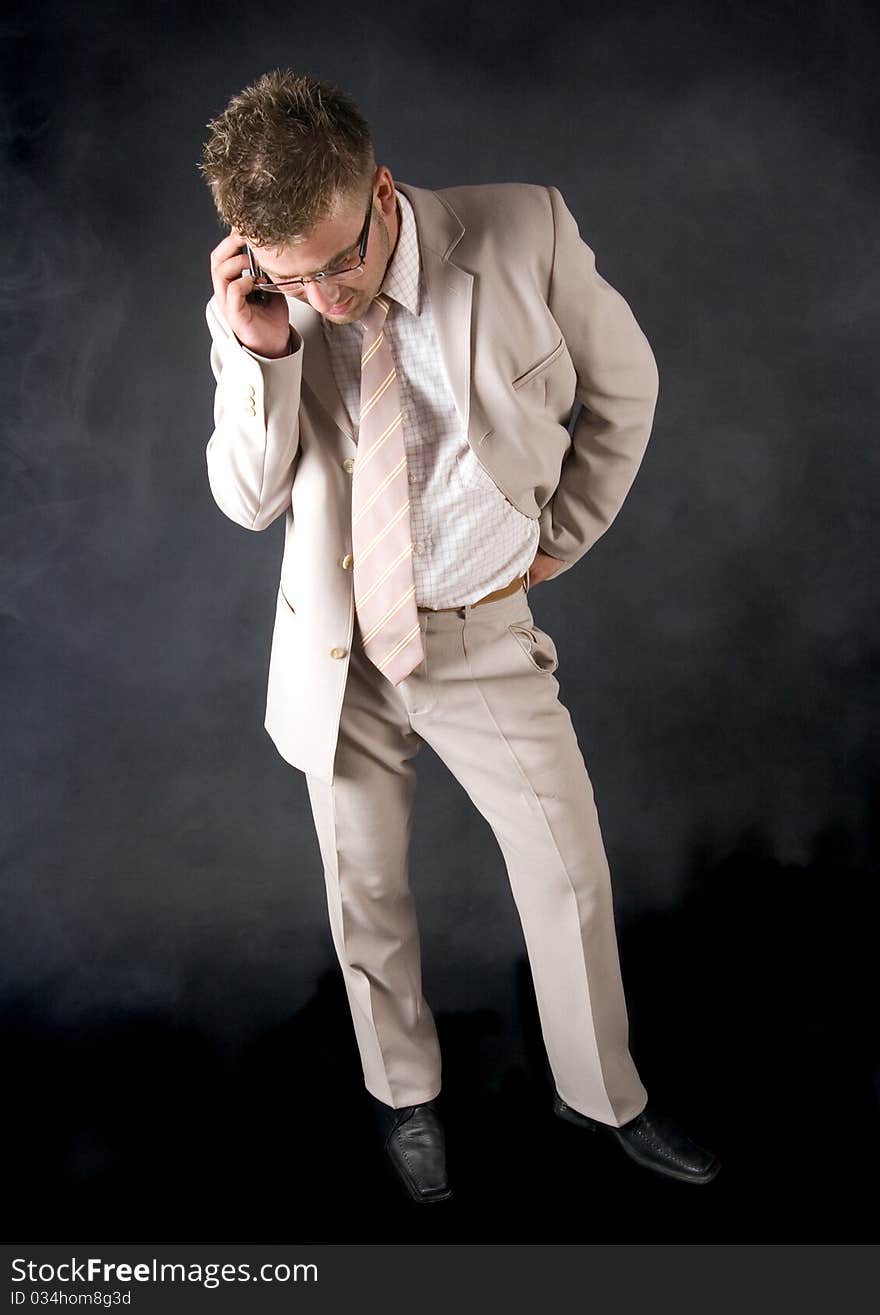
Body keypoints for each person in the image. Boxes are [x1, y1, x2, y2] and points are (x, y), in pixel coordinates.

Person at [199, 69, 719, 1203]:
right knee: (366, 890)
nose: (330, 297)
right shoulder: (261, 308)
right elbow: (248, 499)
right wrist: (261, 351)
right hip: (341, 653)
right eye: (295, 275)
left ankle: (602, 1098)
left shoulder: (523, 228)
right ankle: (404, 1099)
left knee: (566, 871)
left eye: (344, 261)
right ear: (246, 250)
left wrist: (563, 536)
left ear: (381, 193)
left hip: (480, 629)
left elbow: (624, 388)